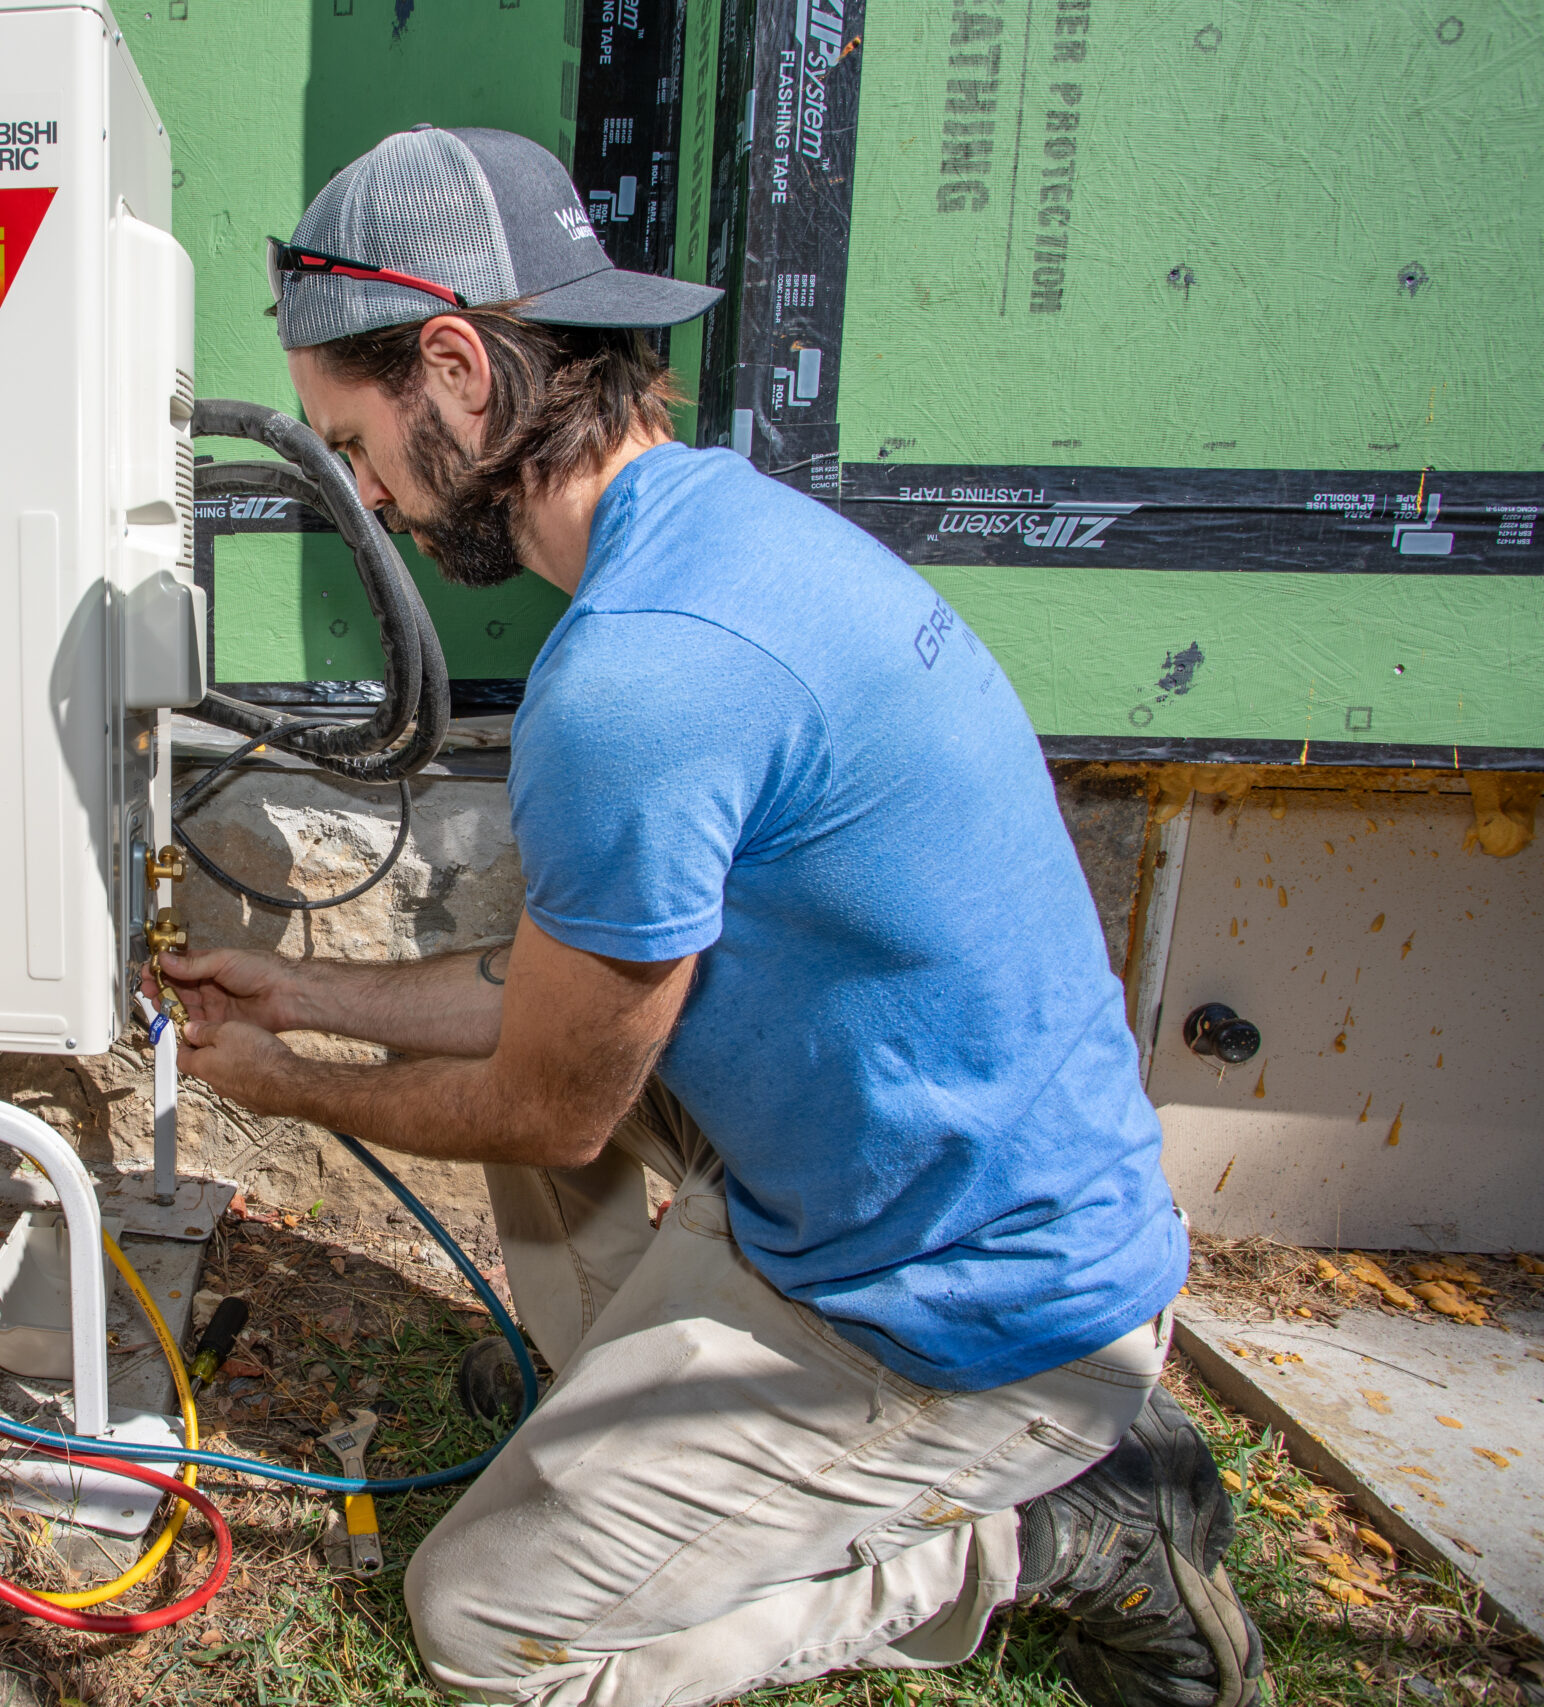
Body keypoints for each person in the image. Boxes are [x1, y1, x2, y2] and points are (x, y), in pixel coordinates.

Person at [148, 124, 1265, 1707]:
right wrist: (299, 986)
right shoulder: (720, 527)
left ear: (458, 369)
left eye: (357, 437)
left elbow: (547, 1105)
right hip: (931, 1171)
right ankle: (628, 1420)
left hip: (975, 1314)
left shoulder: (636, 680)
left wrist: (288, 1083)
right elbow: (558, 991)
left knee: (486, 1627)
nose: (371, 498)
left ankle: (1047, 1542)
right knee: (571, 1100)